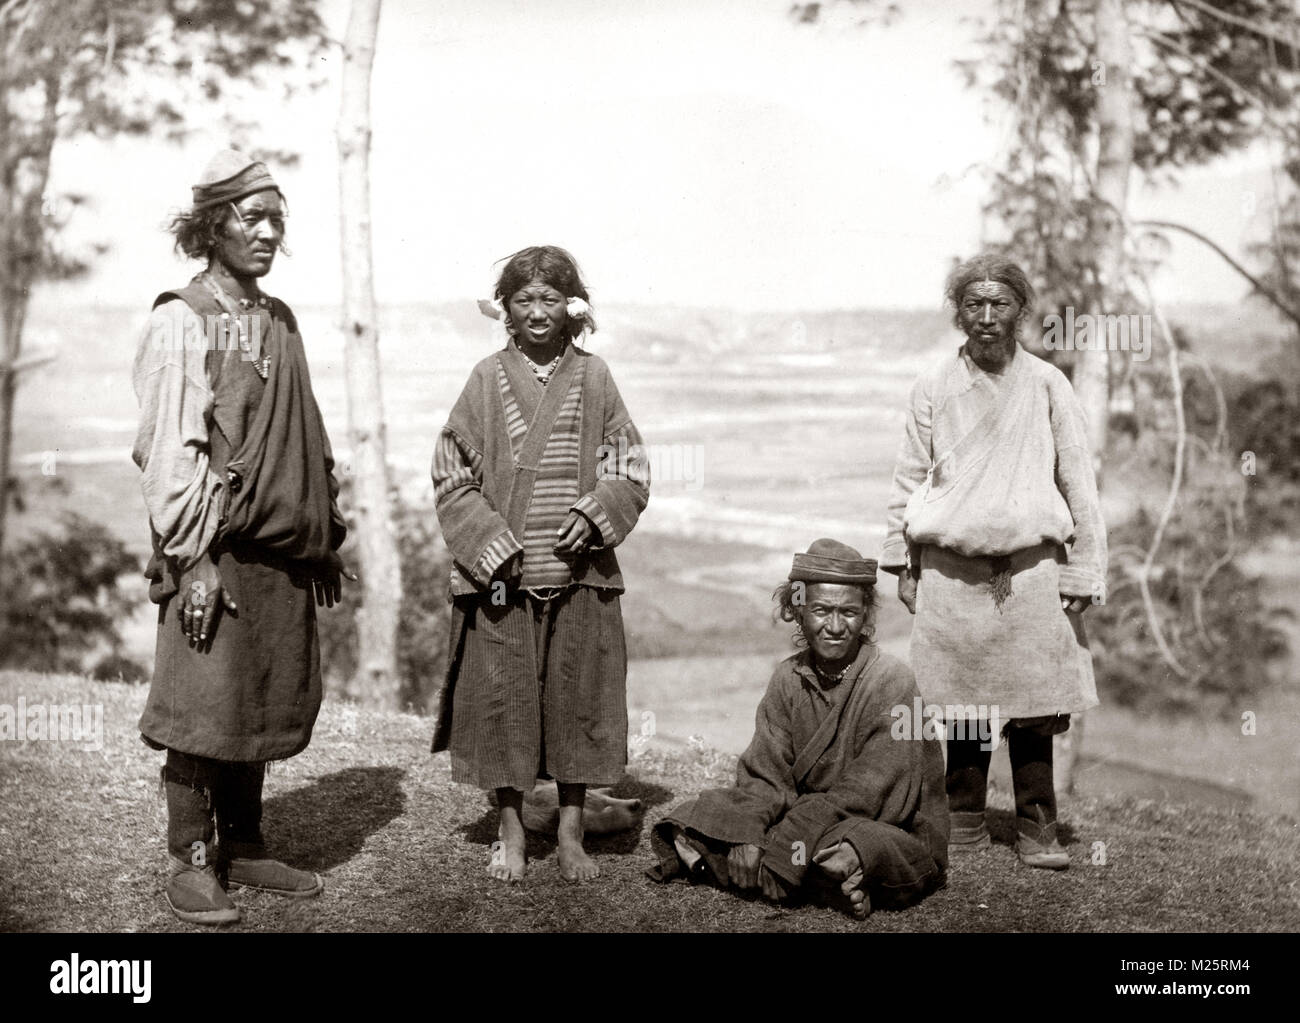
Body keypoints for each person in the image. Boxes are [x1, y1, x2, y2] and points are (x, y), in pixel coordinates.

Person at [132, 150, 351, 924]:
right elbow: (167, 453)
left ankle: (248, 843)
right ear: (211, 225)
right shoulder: (179, 320)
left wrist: (322, 531)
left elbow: (308, 435)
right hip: (213, 550)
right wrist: (191, 560)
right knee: (204, 702)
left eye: (276, 220)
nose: (266, 233)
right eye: (250, 218)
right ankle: (190, 859)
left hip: (280, 547)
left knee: (258, 692)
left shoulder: (279, 319)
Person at [880, 253, 1108, 870]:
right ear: (959, 312)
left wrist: (1084, 567)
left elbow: (1078, 481)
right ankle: (964, 816)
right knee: (964, 700)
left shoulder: (1047, 384)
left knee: (1036, 699)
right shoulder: (932, 387)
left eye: (999, 304)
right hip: (951, 567)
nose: (986, 318)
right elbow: (907, 479)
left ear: (1020, 311)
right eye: (973, 305)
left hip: (1032, 568)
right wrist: (901, 561)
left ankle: (1038, 826)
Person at [430, 245, 649, 883]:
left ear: (571, 306)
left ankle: (574, 832)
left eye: (549, 299)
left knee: (579, 702)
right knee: (502, 707)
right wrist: (488, 540)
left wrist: (601, 509)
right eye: (523, 300)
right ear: (505, 309)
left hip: (579, 577)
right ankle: (512, 831)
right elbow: (450, 472)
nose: (536, 312)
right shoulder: (484, 378)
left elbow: (629, 465)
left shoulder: (596, 377)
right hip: (504, 583)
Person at [646, 539, 949, 919]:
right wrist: (747, 832)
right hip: (808, 824)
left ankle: (814, 870)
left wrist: (790, 839)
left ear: (866, 615)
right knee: (695, 816)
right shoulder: (787, 678)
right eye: (822, 611)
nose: (836, 626)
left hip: (877, 822)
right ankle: (828, 882)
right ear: (798, 610)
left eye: (849, 613)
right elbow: (764, 773)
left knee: (859, 846)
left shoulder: (892, 681)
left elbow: (873, 791)